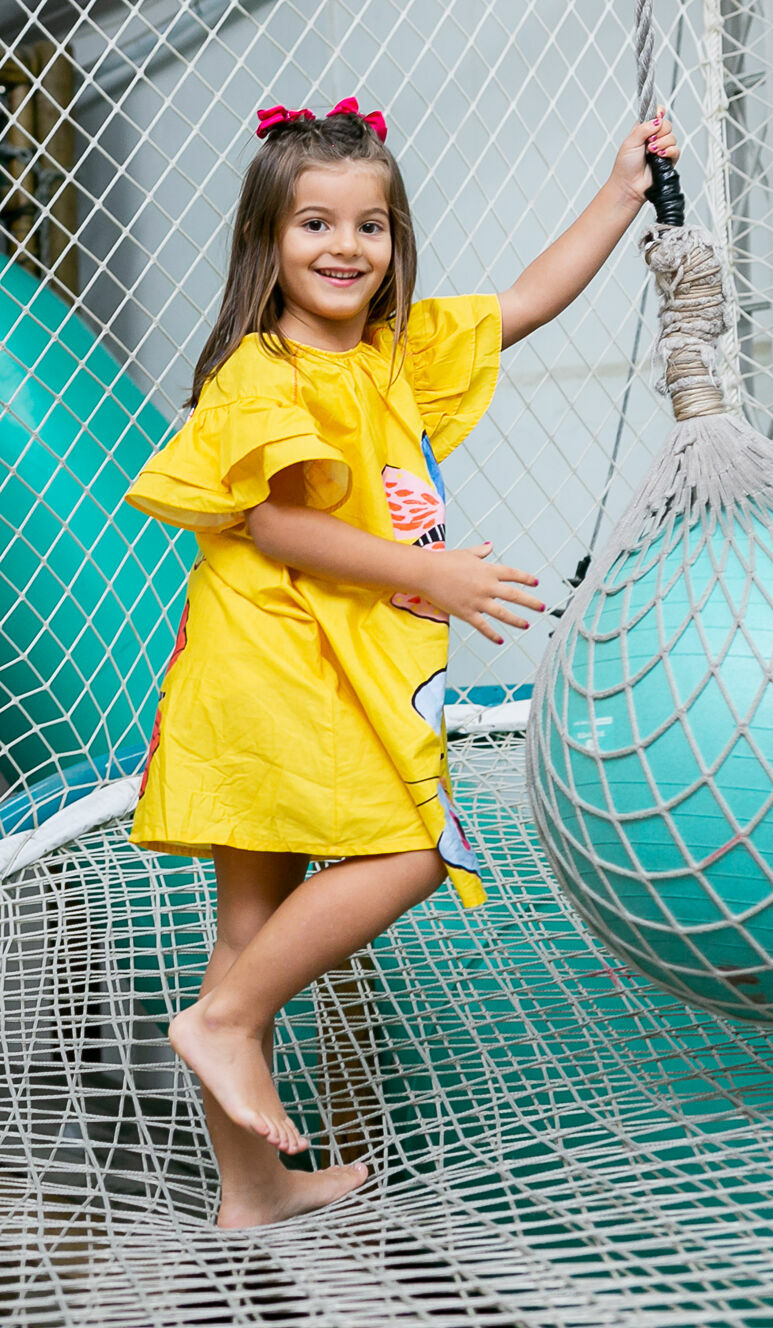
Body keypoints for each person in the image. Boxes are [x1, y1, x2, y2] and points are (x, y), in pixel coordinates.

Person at [125, 92, 679, 1229]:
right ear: (264, 241)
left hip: (309, 673)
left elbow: (525, 296)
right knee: (416, 847)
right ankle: (224, 1027)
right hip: (274, 670)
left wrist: (621, 191)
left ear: (394, 241)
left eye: (367, 226)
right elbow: (275, 525)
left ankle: (254, 1191)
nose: (343, 247)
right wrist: (433, 576)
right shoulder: (262, 377)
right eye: (314, 224)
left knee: (248, 931)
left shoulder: (394, 357)